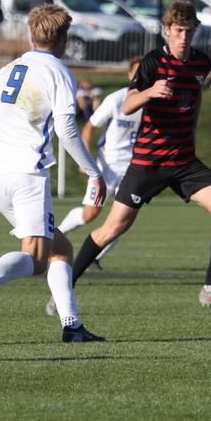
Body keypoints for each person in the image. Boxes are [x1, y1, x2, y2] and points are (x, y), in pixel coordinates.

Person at [0, 3, 107, 343]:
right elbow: (67, 129)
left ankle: (72, 325)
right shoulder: (59, 71)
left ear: (32, 37)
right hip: (28, 177)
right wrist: (94, 172)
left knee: (60, 249)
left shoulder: (8, 69)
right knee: (35, 259)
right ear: (64, 39)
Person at [70, 0, 211, 311]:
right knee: (112, 228)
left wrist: (193, 133)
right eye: (178, 30)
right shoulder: (152, 62)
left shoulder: (201, 64)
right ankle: (63, 288)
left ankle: (210, 288)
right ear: (166, 31)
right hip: (148, 162)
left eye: (189, 30)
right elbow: (127, 104)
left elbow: (197, 95)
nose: (184, 37)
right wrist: (150, 92)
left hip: (185, 161)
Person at [56, 56, 144, 276]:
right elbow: (89, 127)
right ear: (129, 75)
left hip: (133, 170)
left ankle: (94, 258)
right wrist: (85, 159)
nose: (140, 76)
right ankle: (56, 235)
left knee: (122, 219)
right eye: (136, 72)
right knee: (90, 214)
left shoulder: (153, 102)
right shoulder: (117, 99)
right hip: (107, 166)